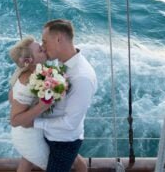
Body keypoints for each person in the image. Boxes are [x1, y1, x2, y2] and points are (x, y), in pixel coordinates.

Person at [8, 36, 88, 172]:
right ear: (29, 61)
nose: (44, 49)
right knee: (58, 165)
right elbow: (15, 121)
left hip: (37, 128)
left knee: (72, 158)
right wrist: (42, 106)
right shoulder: (26, 81)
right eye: (40, 50)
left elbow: (11, 96)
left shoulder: (38, 70)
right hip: (28, 135)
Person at [34, 19, 98, 172]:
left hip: (63, 142)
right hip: (53, 134)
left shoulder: (81, 77)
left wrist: (35, 123)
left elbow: (70, 123)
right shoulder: (63, 63)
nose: (42, 47)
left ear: (58, 39)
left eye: (44, 42)